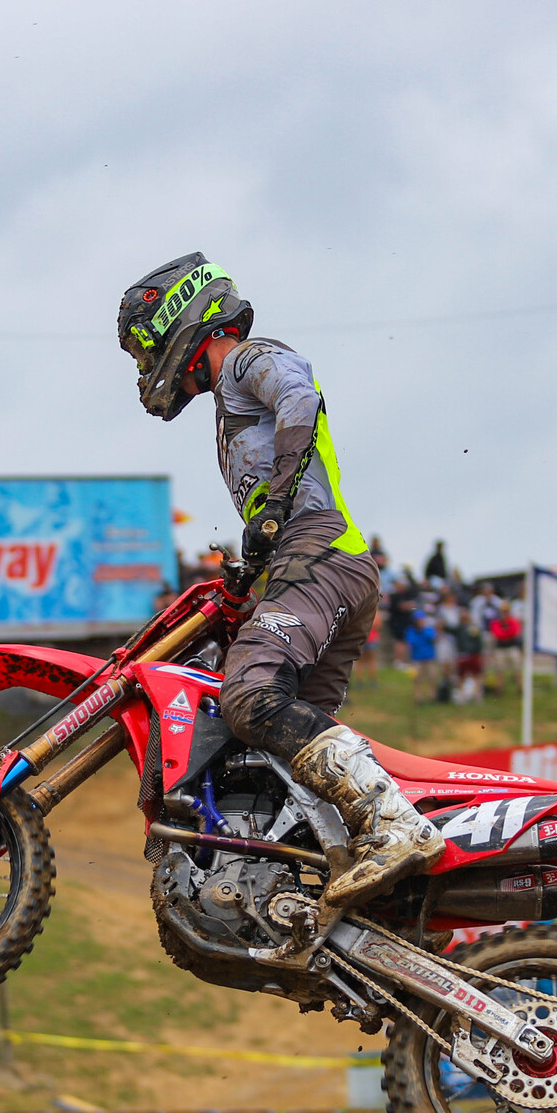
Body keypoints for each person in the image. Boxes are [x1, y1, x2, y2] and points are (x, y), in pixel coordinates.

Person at [118, 254, 436, 907]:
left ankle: (397, 825)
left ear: (178, 319)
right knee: (278, 753)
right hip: (315, 562)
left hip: (318, 551)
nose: (145, 366)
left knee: (249, 696)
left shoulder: (245, 358)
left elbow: (300, 396)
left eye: (144, 348)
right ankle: (365, 891)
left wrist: (276, 502)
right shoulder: (226, 401)